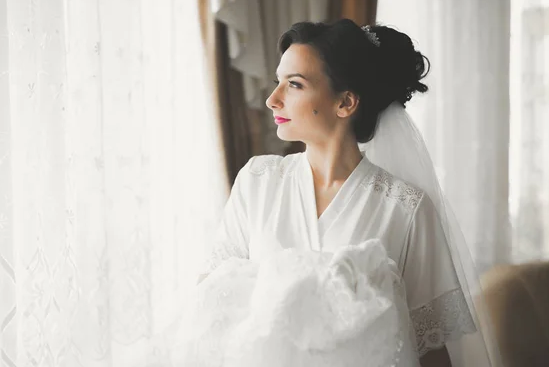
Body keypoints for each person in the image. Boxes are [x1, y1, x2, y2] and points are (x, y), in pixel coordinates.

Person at [189, 19, 501, 367]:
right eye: (278, 82)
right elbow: (213, 310)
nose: (272, 100)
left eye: (294, 85)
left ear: (346, 102)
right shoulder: (257, 182)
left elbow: (430, 350)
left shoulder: (405, 209)